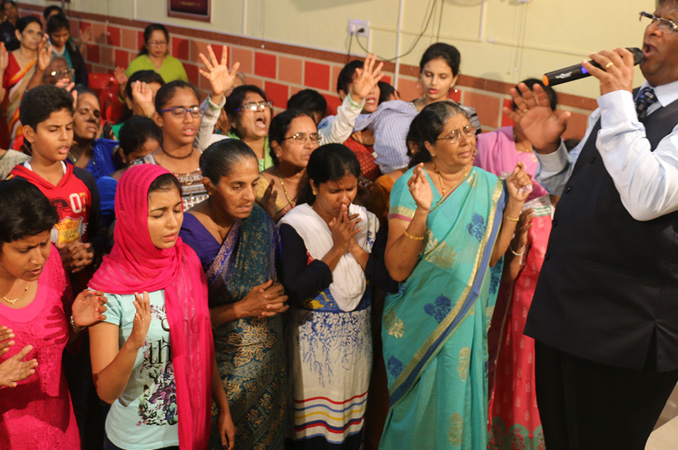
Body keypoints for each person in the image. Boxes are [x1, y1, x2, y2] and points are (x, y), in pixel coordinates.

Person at [506, 4, 678, 450]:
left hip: (624, 326)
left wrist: (618, 100)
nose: (654, 30)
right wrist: (550, 153)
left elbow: (647, 198)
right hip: (567, 307)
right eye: (652, 17)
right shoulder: (621, 106)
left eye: (670, 23)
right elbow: (586, 190)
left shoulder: (620, 103)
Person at [379, 101, 531, 449]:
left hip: (464, 321)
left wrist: (515, 204)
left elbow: (490, 258)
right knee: (416, 413)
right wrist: (421, 211)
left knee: (455, 407)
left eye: (468, 130)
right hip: (418, 320)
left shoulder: (491, 187)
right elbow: (397, 268)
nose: (466, 141)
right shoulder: (412, 184)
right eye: (452, 135)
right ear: (429, 146)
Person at [88, 165, 235, 450]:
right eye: (158, 214)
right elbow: (105, 392)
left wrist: (223, 407)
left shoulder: (186, 262)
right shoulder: (107, 289)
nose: (172, 223)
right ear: (130, 217)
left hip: (192, 429)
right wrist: (133, 343)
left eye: (177, 209)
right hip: (134, 441)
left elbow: (203, 344)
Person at [278, 144, 397, 448]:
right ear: (315, 185)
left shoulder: (368, 222)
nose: (345, 199)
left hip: (356, 355)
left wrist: (355, 248)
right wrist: (337, 248)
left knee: (349, 433)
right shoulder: (295, 225)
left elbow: (389, 280)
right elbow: (296, 289)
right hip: (312, 357)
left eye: (351, 188)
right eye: (334, 190)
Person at [180, 139, 289, 450]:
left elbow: (277, 280)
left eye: (254, 184)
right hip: (214, 370)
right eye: (237, 186)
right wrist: (243, 308)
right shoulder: (186, 233)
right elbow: (182, 319)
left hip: (266, 371)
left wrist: (277, 295)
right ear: (209, 185)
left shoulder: (258, 221)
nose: (249, 196)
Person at [474, 79, 557, 450]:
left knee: (528, 349)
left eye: (539, 106)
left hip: (541, 257)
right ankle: (490, 422)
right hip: (500, 245)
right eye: (523, 106)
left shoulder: (556, 155)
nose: (529, 114)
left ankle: (524, 428)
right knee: (498, 337)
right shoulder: (488, 144)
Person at [0, 178, 107, 449]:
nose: (38, 259)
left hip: (60, 431)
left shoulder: (53, 267)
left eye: (44, 243)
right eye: (24, 249)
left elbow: (57, 343)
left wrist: (76, 325)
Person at [133, 80, 208, 209]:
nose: (189, 119)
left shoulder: (211, 162)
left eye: (195, 111)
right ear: (159, 119)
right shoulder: (141, 170)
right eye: (179, 112)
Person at [257, 109, 320, 221]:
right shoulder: (259, 187)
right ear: (277, 147)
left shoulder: (321, 180)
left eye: (314, 137)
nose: (309, 145)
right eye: (299, 138)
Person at [1, 16, 51, 143]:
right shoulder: (7, 60)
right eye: (30, 32)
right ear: (18, 34)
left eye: (39, 33)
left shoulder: (44, 60)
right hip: (11, 122)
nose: (35, 37)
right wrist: (1, 70)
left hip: (38, 118)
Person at [412, 42, 481, 133]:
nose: (434, 82)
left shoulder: (467, 114)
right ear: (420, 75)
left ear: (453, 80)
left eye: (442, 77)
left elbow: (473, 146)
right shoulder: (405, 111)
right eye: (428, 75)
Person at [68, 87, 119, 180]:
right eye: (83, 112)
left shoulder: (109, 150)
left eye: (96, 114)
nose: (92, 118)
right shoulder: (54, 156)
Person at [46, 14, 88, 87]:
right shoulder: (44, 49)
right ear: (49, 33)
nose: (61, 39)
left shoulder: (71, 48)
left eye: (65, 35)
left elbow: (80, 70)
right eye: (57, 36)